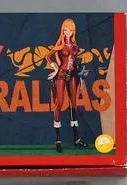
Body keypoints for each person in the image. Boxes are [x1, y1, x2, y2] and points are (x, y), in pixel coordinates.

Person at [46, 18, 87, 152]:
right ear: (62, 31)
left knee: (74, 104)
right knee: (59, 103)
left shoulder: (75, 45)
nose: (67, 32)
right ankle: (58, 140)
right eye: (65, 29)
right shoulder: (60, 45)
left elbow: (74, 60)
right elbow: (48, 56)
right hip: (62, 75)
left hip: (73, 75)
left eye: (70, 30)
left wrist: (79, 68)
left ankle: (76, 139)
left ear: (73, 31)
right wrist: (54, 67)